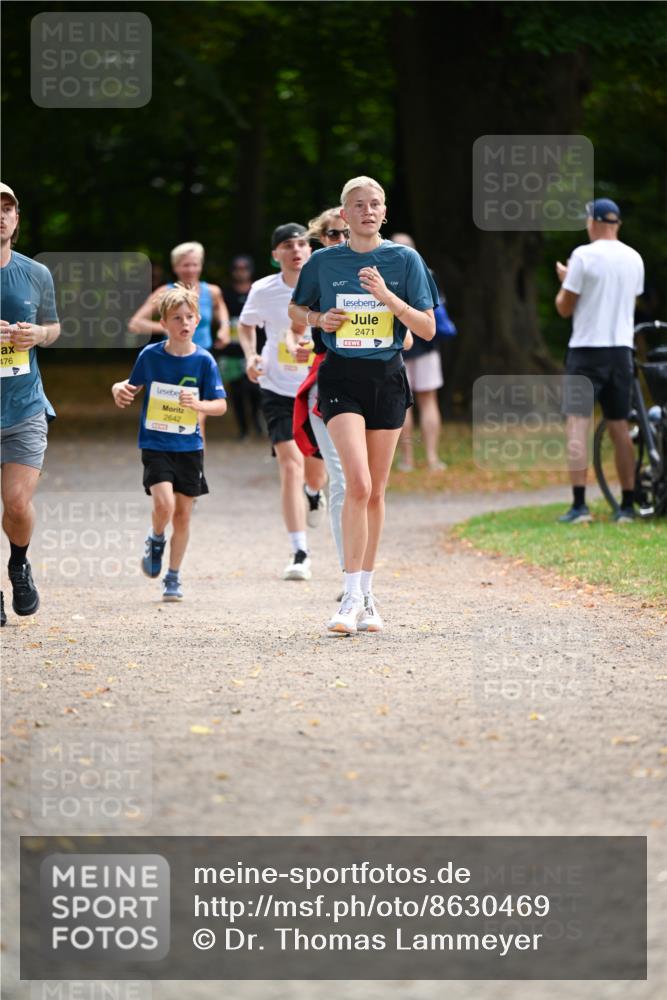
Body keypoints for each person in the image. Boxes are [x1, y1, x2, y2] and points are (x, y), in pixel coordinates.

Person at [289, 176, 438, 634]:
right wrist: (319, 318)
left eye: (375, 204)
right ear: (344, 213)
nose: (367, 211)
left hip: (387, 378)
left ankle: (368, 594)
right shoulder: (324, 261)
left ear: (384, 212)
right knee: (356, 482)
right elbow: (296, 311)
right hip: (341, 377)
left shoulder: (404, 260)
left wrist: (387, 297)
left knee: (375, 491)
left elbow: (427, 329)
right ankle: (350, 596)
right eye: (358, 205)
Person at [111, 285, 227, 601]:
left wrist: (199, 405)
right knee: (165, 504)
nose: (184, 323)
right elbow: (130, 386)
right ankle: (156, 537)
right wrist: (117, 388)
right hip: (156, 442)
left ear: (198, 320)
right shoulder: (150, 356)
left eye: (189, 317)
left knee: (183, 515)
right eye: (177, 318)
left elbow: (220, 405)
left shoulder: (204, 361)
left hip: (190, 447)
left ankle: (173, 576)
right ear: (163, 323)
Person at [238, 223, 327, 582]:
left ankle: (314, 493)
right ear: (276, 254)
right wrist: (250, 356)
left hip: (318, 387)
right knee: (290, 465)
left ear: (310, 250)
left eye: (302, 243)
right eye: (288, 245)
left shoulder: (326, 284)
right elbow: (246, 325)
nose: (296, 250)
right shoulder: (263, 290)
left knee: (315, 473)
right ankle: (300, 551)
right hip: (276, 388)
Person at [555, 198, 644, 524]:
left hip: (587, 350)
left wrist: (566, 280)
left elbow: (565, 307)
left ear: (592, 223)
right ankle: (627, 505)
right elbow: (630, 299)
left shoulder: (583, 256)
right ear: (617, 224)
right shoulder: (634, 257)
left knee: (578, 424)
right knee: (620, 426)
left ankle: (580, 505)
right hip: (621, 350)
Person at [0, 182, 61, 627]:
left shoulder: (36, 273)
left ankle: (19, 563)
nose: (1, 215)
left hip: (24, 408)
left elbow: (53, 327)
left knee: (17, 504)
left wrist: (38, 334)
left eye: (8, 209)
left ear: (16, 219)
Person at [289, 209, 349, 582]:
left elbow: (407, 337)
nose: (340, 240)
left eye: (345, 233)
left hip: (376, 382)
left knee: (365, 483)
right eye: (332, 234)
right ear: (321, 239)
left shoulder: (381, 267)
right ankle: (350, 577)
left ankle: (359, 575)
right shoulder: (316, 272)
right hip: (326, 379)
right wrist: (308, 336)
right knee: (340, 477)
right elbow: (295, 319)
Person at [128, 242, 230, 440]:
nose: (190, 269)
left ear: (201, 265)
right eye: (185, 265)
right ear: (175, 267)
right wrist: (170, 328)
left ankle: (196, 459)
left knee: (197, 417)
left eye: (195, 264)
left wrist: (224, 329)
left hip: (201, 360)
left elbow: (221, 310)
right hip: (172, 360)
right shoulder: (164, 293)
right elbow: (135, 323)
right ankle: (171, 454)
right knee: (175, 418)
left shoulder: (212, 292)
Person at [392, 231, 446, 472]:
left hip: (398, 346)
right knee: (428, 400)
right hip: (426, 345)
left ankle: (408, 460)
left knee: (404, 404)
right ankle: (432, 458)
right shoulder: (427, 273)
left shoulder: (384, 276)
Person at [219, 255, 263, 439]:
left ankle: (256, 422)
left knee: (255, 389)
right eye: (237, 268)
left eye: (244, 268)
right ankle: (243, 429)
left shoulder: (258, 290)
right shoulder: (225, 294)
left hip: (255, 349)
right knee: (236, 392)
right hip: (231, 351)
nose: (241, 271)